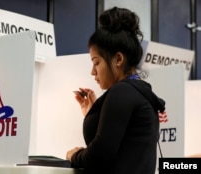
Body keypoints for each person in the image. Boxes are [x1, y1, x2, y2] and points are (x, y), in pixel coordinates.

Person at [66, 6, 165, 174]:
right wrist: (95, 113)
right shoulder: (137, 92)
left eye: (96, 62)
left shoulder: (123, 92)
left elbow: (100, 155)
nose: (93, 71)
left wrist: (74, 155)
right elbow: (124, 148)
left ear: (118, 59)